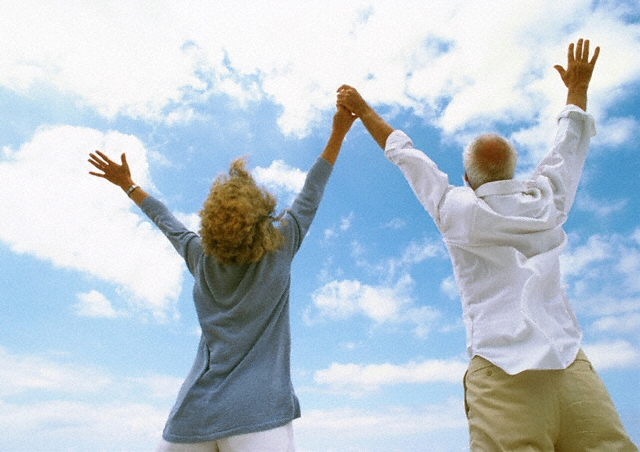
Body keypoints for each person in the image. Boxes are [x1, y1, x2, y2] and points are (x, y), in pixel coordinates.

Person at [338, 39, 638, 451]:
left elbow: (406, 154)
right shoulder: (546, 201)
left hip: (502, 372)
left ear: (467, 179)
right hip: (572, 368)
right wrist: (577, 90)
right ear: (514, 172)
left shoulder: (456, 210)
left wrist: (361, 108)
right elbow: (569, 147)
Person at [88, 105, 356, 452]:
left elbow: (165, 219)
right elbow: (312, 189)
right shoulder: (281, 244)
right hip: (257, 415)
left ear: (210, 219)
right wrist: (338, 132)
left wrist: (128, 185)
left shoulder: (199, 256)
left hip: (193, 416)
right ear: (261, 213)